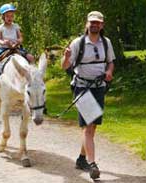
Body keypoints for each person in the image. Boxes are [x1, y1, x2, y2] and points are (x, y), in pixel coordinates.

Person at [61, 11, 115, 180]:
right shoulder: (78, 43)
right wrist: (66, 57)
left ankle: (82, 158)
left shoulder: (106, 43)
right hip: (82, 87)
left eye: (98, 23)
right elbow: (64, 66)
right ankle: (93, 165)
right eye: (92, 22)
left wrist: (109, 72)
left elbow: (111, 62)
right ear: (87, 24)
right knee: (89, 125)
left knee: (91, 127)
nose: (95, 25)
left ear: (102, 25)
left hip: (99, 87)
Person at [0, 3, 34, 86]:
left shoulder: (16, 26)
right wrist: (4, 42)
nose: (10, 18)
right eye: (8, 16)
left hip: (15, 47)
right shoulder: (0, 28)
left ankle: (34, 75)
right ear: (3, 17)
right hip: (4, 48)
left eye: (12, 16)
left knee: (30, 57)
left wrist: (18, 41)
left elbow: (20, 37)